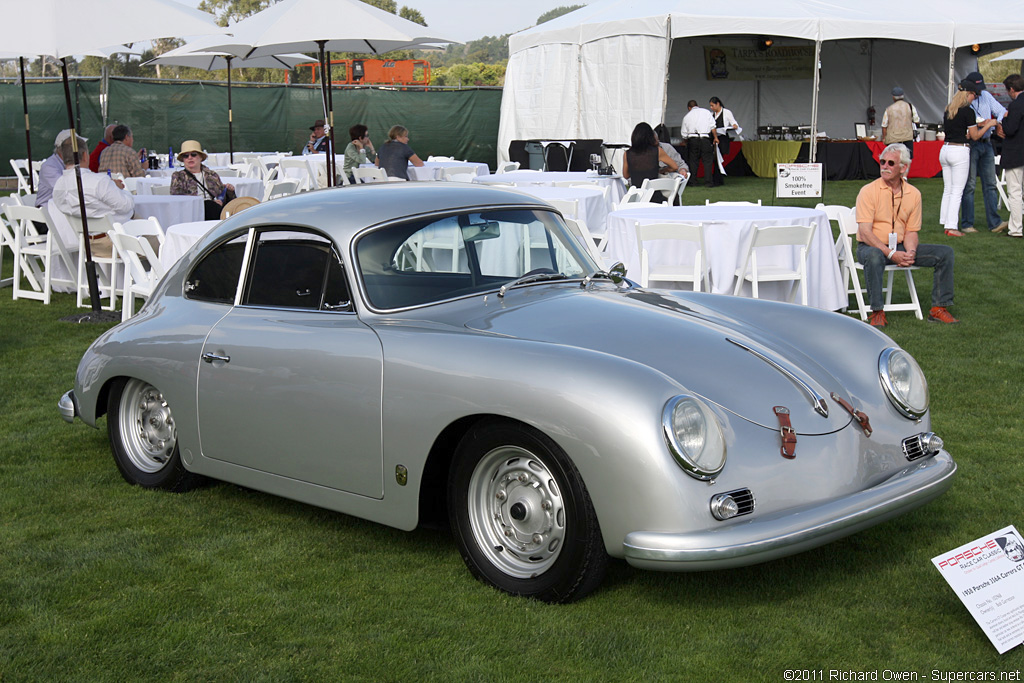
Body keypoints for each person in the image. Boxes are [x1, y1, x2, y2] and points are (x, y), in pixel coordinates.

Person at [856, 143, 958, 327]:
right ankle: (877, 311)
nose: (884, 166)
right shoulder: (868, 191)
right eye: (882, 162)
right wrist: (890, 253)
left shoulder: (914, 194)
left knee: (945, 253)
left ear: (903, 168)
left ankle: (938, 309)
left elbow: (911, 231)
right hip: (871, 246)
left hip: (900, 246)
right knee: (874, 256)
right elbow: (865, 232)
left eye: (890, 163)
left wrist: (910, 253)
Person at [51, 134, 134, 258]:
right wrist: (120, 189)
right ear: (85, 155)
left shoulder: (58, 186)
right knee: (163, 245)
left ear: (63, 157)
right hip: (114, 242)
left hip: (86, 243)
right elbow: (126, 206)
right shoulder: (98, 182)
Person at [940, 80, 998, 236]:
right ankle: (951, 227)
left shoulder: (949, 109)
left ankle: (945, 220)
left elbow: (956, 131)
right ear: (968, 94)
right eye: (974, 95)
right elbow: (976, 136)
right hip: (959, 151)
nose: (974, 98)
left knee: (948, 189)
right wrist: (988, 124)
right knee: (957, 191)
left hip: (945, 149)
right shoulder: (968, 111)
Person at [959, 71, 1008, 234]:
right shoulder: (962, 99)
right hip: (972, 143)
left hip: (986, 142)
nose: (978, 92)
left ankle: (994, 222)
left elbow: (1001, 111)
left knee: (990, 184)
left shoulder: (986, 96)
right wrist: (984, 124)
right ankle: (967, 223)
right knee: (970, 185)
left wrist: (998, 122)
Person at [170, 140, 235, 221]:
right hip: (192, 213)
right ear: (183, 160)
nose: (190, 158)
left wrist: (229, 191)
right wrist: (203, 203)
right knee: (210, 206)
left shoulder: (212, 175)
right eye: (186, 156)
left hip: (214, 210)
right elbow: (177, 199)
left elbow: (225, 199)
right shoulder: (178, 176)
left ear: (200, 157)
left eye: (193, 155)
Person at [621, 122, 679, 203]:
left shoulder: (627, 154)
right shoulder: (657, 151)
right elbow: (674, 167)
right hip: (654, 195)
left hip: (637, 196)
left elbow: (626, 175)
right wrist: (662, 170)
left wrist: (636, 171)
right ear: (650, 136)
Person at [999, 74, 1024, 239]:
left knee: (1014, 192)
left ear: (1011, 89)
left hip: (1016, 153)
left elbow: (1010, 129)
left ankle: (1016, 228)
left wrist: (1004, 122)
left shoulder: (1016, 105)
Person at [36, 129, 80, 212]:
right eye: (77, 146)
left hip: (63, 210)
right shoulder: (49, 166)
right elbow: (65, 188)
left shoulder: (74, 163)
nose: (79, 150)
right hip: (47, 213)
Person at [680, 100, 718, 188]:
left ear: (689, 108)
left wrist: (685, 141)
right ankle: (708, 182)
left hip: (693, 139)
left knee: (693, 161)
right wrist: (715, 137)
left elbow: (684, 134)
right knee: (707, 161)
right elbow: (713, 126)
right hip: (705, 138)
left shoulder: (687, 116)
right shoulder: (706, 112)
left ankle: (693, 181)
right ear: (697, 105)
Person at [708, 97, 740, 186]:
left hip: (722, 138)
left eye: (712, 105)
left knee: (719, 159)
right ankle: (717, 179)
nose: (711, 108)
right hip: (714, 138)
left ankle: (718, 179)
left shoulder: (727, 112)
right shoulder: (711, 114)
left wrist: (734, 125)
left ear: (718, 104)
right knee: (714, 159)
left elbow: (734, 122)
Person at [881, 86, 919, 158]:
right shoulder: (910, 107)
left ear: (893, 97)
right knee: (907, 160)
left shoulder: (889, 109)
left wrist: (884, 138)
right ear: (903, 96)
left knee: (894, 159)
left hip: (893, 140)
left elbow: (884, 126)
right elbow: (916, 121)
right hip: (907, 138)